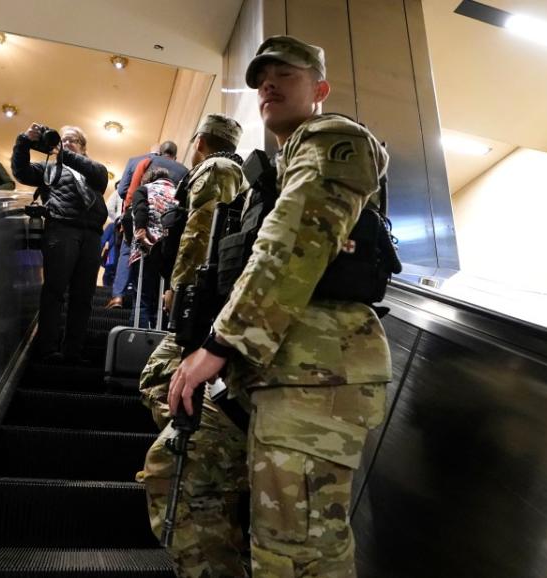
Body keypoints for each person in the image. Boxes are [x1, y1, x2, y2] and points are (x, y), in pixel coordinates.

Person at [164, 36, 392, 577]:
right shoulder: (266, 171)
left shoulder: (334, 138)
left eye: (286, 74)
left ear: (320, 88)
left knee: (296, 550)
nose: (269, 85)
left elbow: (293, 240)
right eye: (262, 78)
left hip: (316, 368)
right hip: (266, 368)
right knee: (181, 479)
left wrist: (219, 344)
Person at [135, 113, 248, 577]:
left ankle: (215, 463)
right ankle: (211, 455)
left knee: (167, 382)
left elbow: (204, 232)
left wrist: (180, 292)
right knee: (158, 380)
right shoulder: (228, 170)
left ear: (199, 142)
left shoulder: (217, 169)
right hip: (211, 313)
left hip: (206, 311)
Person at [12, 124, 109, 362]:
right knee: (54, 291)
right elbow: (21, 171)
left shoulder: (94, 168)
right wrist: (24, 141)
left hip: (92, 234)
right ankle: (47, 348)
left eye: (73, 140)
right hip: (61, 228)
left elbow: (100, 176)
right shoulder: (49, 168)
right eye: (64, 140)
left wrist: (65, 154)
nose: (66, 143)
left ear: (83, 147)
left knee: (83, 296)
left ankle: (73, 351)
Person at [108, 141, 189, 308]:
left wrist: (130, 216)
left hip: (142, 219)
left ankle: (118, 296)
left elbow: (125, 190)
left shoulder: (145, 161)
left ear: (158, 152)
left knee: (126, 252)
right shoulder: (184, 171)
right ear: (176, 155)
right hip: (169, 229)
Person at [130, 167, 177, 328]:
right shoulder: (179, 194)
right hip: (169, 256)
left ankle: (136, 341)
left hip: (145, 252)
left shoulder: (144, 189)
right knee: (163, 301)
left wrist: (142, 235)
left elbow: (141, 210)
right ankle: (159, 340)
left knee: (141, 300)